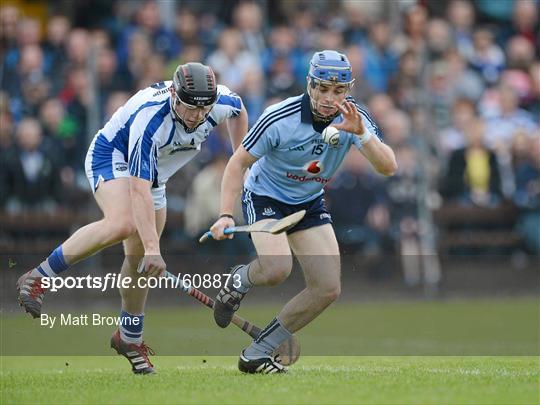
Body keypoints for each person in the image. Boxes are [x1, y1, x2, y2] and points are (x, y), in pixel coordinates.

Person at [16, 62, 248, 374]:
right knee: (124, 224)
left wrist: (238, 158)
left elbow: (239, 111)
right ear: (174, 97)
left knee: (139, 260)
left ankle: (129, 338)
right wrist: (155, 247)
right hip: (113, 156)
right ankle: (38, 276)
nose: (196, 116)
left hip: (155, 173)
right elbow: (138, 191)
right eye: (189, 108)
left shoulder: (222, 102)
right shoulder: (151, 121)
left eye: (203, 110)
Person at [209, 50, 397, 374]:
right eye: (322, 88)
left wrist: (361, 134)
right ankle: (241, 278)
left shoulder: (353, 118)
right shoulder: (278, 118)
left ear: (348, 89)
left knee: (327, 288)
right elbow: (237, 163)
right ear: (310, 84)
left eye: (338, 91)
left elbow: (388, 166)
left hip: (308, 201)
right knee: (276, 269)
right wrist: (226, 214)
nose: (329, 98)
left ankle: (259, 351)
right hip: (265, 194)